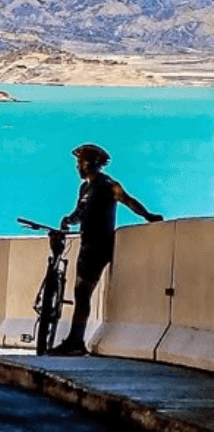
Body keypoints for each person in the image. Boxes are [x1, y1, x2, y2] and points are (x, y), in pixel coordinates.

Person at [51, 143, 163, 356]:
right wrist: (68, 220)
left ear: (91, 163)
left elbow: (128, 201)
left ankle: (76, 341)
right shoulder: (85, 188)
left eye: (80, 162)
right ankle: (75, 339)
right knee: (80, 294)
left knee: (82, 294)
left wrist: (148, 216)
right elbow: (79, 212)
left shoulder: (108, 185)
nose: (77, 167)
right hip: (85, 244)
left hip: (98, 246)